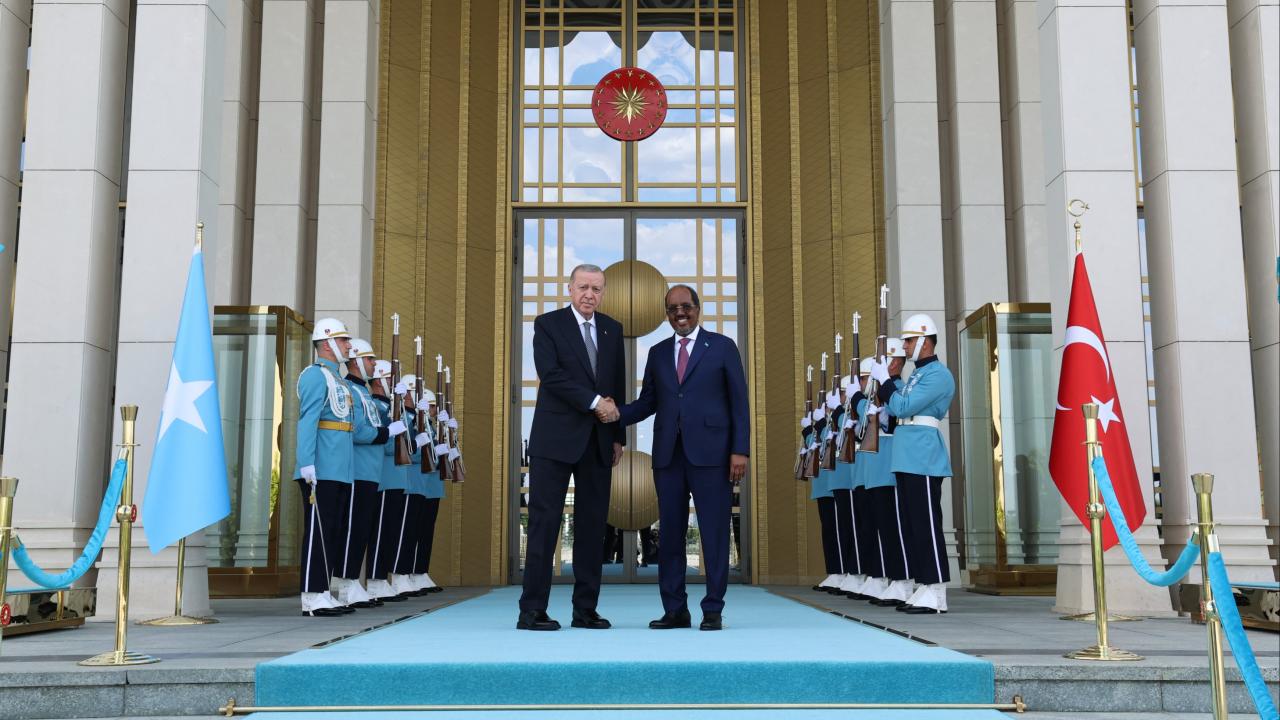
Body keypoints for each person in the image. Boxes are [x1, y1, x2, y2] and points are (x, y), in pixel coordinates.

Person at [606, 284, 750, 631]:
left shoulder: (722, 347)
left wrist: (740, 450)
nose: (680, 313)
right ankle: (675, 610)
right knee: (670, 535)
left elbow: (739, 402)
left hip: (713, 456)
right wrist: (616, 414)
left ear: (697, 309)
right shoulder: (657, 353)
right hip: (668, 457)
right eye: (672, 309)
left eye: (686, 306)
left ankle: (712, 609)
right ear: (666, 314)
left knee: (714, 533)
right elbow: (648, 402)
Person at [519, 264, 626, 631]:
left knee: (593, 527)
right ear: (569, 288)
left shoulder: (613, 329)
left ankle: (585, 609)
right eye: (583, 287)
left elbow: (617, 385)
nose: (589, 295)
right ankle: (532, 610)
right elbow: (551, 375)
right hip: (554, 440)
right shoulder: (548, 324)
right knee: (544, 523)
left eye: (596, 289)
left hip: (599, 441)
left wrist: (618, 436)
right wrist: (595, 402)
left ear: (603, 292)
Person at [874, 314, 955, 614]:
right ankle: (923, 583)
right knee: (910, 524)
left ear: (924, 341)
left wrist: (886, 382)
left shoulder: (938, 375)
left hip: (923, 455)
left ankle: (936, 589)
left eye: (908, 341)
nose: (905, 346)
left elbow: (902, 406)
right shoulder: (917, 376)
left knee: (926, 524)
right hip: (907, 453)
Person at [334, 339, 404, 609]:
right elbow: (358, 430)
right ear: (355, 361)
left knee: (362, 529)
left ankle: (352, 580)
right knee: (352, 529)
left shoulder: (362, 392)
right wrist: (387, 433)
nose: (373, 364)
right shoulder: (349, 389)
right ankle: (345, 583)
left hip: (371, 471)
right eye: (370, 359)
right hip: (358, 469)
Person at [296, 318, 356, 617]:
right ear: (328, 343)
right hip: (321, 467)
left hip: (339, 468)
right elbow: (308, 420)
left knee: (333, 531)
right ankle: (311, 595)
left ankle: (323, 591)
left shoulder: (338, 379)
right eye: (343, 340)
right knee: (318, 532)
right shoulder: (315, 375)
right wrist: (306, 462)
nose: (348, 345)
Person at [858, 341, 915, 607]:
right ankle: (893, 578)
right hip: (875, 468)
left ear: (895, 362)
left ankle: (903, 579)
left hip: (889, 465)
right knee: (883, 528)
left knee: (895, 528)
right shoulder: (879, 392)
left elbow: (897, 414)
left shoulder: (900, 388)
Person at [365, 360, 409, 602]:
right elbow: (389, 444)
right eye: (390, 378)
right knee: (380, 531)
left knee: (389, 531)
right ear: (378, 380)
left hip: (395, 477)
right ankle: (375, 579)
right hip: (384, 476)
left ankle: (382, 577)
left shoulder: (390, 407)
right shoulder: (376, 406)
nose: (393, 382)